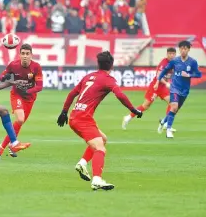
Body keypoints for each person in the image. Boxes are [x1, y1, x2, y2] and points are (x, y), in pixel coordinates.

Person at [57, 51, 142, 190]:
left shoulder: (88, 76)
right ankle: (97, 179)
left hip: (74, 116)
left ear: (98, 64)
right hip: (83, 119)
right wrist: (133, 109)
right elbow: (120, 95)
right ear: (111, 65)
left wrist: (64, 112)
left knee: (103, 139)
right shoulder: (108, 79)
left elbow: (72, 93)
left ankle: (82, 163)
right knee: (100, 148)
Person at [0, 44, 43, 160]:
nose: (25, 56)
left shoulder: (36, 67)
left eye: (27, 54)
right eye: (23, 54)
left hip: (29, 99)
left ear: (31, 55)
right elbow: (1, 76)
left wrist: (28, 91)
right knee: (20, 119)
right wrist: (5, 77)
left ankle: (3, 147)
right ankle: (13, 145)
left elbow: (40, 86)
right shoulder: (13, 65)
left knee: (18, 123)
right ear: (20, 55)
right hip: (16, 95)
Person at [122, 47, 176, 130]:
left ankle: (166, 123)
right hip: (156, 86)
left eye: (173, 54)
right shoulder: (163, 63)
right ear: (167, 54)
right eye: (170, 54)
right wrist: (166, 83)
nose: (171, 55)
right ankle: (128, 117)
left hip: (163, 88)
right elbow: (158, 76)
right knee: (145, 106)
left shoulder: (174, 63)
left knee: (172, 103)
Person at [155, 41, 201, 138]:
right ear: (179, 49)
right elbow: (164, 71)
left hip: (185, 90)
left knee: (174, 110)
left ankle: (163, 121)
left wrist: (189, 75)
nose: (183, 50)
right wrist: (158, 80)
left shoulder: (193, 62)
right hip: (174, 88)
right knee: (174, 107)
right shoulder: (174, 61)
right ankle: (168, 130)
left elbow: (198, 74)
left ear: (188, 50)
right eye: (181, 48)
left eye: (185, 48)